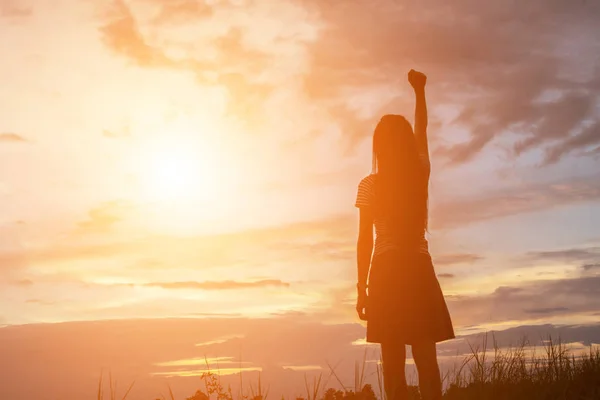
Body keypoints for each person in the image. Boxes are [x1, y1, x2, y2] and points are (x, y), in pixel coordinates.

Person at [354, 70, 455, 400]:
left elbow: (364, 240)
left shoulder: (370, 185)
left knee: (393, 362)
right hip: (418, 270)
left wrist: (361, 289)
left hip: (385, 273)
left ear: (379, 147)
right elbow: (422, 131)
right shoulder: (419, 174)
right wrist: (420, 91)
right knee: (427, 360)